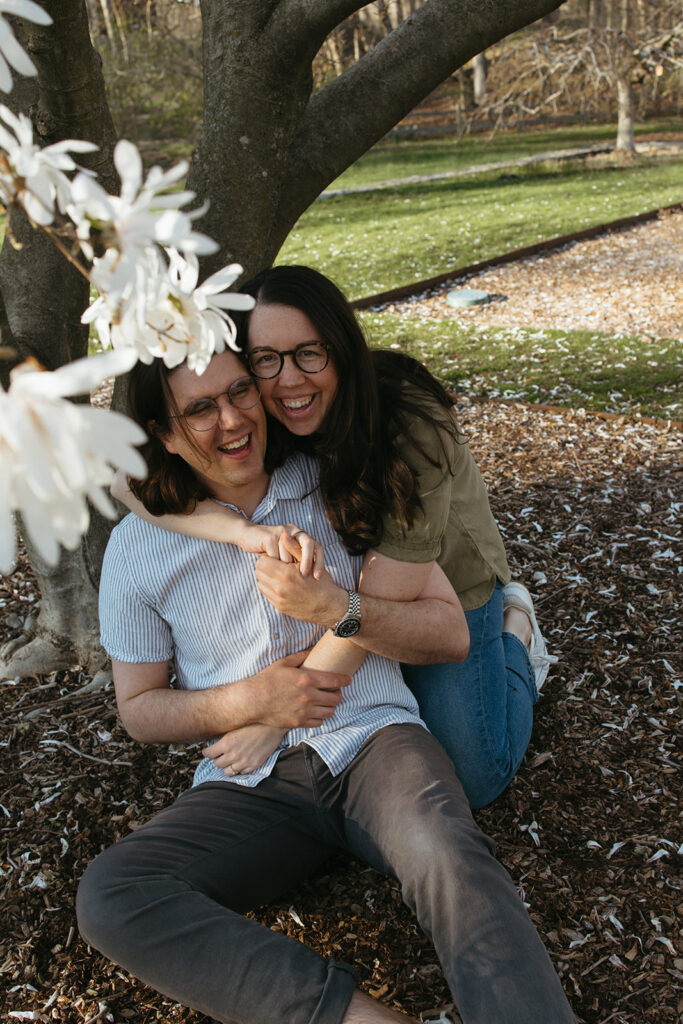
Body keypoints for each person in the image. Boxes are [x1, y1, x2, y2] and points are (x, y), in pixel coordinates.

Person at [78, 347, 577, 1024]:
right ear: (164, 435)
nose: (231, 419)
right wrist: (248, 702)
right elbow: (138, 710)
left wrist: (336, 603)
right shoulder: (139, 548)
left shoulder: (337, 484)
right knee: (114, 894)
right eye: (200, 408)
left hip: (374, 742)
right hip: (250, 785)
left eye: (239, 392)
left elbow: (442, 627)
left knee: (447, 850)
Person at [113, 265, 556, 808]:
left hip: (443, 586)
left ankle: (518, 635)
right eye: (265, 360)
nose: (289, 380)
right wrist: (241, 532)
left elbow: (372, 604)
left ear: (340, 348)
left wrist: (277, 721)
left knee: (474, 776)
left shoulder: (409, 425)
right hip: (356, 603)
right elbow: (127, 482)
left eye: (309, 353)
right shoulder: (260, 411)